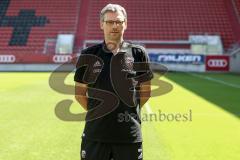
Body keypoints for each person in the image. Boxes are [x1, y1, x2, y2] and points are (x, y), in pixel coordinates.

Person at [74, 3, 153, 160]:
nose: (115, 26)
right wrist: (99, 112)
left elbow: (146, 93)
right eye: (110, 22)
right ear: (101, 24)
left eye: (119, 21)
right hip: (95, 135)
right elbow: (79, 94)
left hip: (129, 136)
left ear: (126, 24)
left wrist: (127, 112)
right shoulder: (88, 55)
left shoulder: (138, 53)